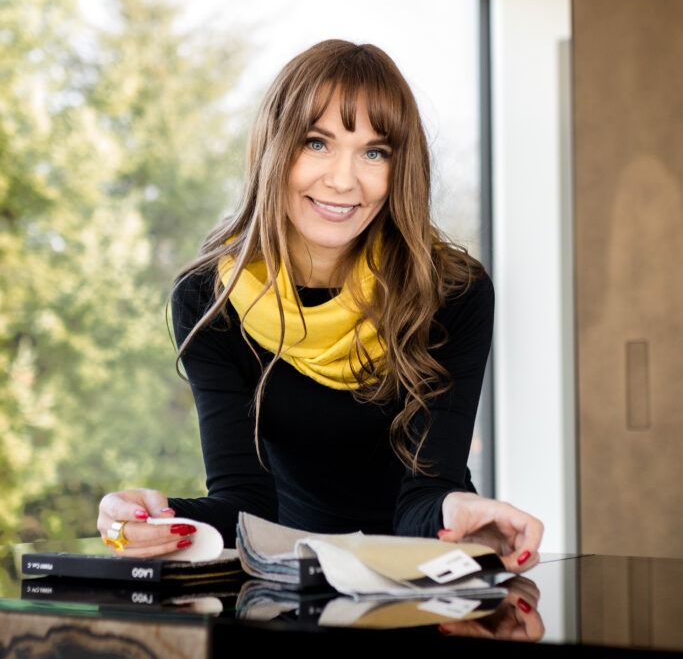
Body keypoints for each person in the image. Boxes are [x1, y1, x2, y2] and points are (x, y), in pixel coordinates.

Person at [98, 39, 543, 573]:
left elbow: (426, 493)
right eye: (316, 143)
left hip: (424, 574)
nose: (342, 180)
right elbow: (245, 504)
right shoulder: (208, 300)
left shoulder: (451, 291)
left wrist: (460, 510)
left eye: (374, 152)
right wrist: (149, 517)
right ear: (273, 148)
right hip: (292, 581)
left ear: (399, 168)